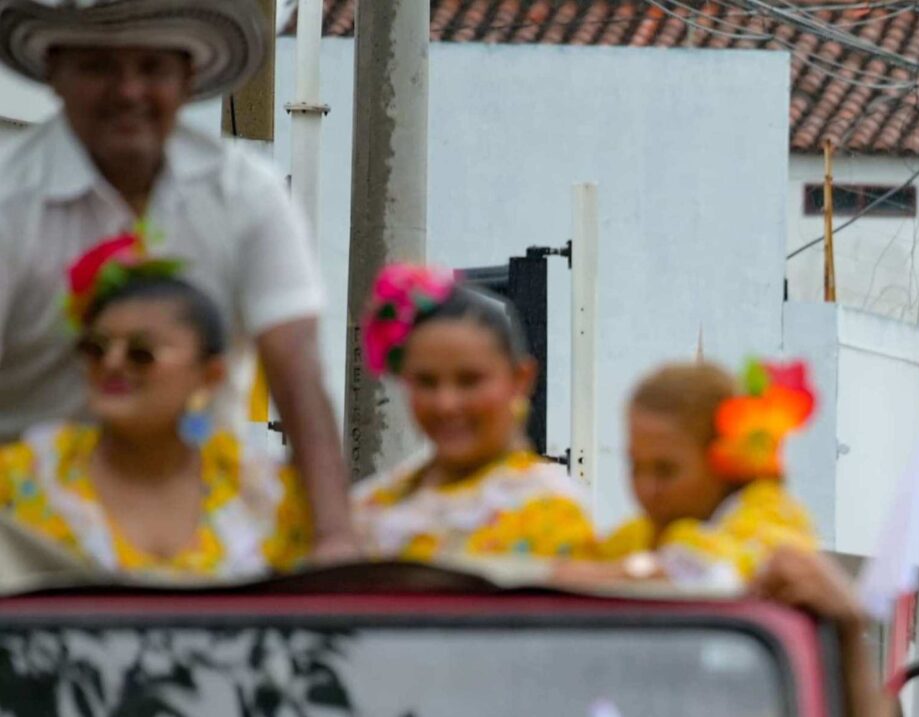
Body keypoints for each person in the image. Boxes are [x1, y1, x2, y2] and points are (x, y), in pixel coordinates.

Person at [0, 0, 352, 556]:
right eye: (98, 66)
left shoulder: (245, 195)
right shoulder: (8, 202)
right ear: (54, 74)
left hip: (201, 515)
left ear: (188, 79)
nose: (128, 91)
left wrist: (334, 537)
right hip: (23, 525)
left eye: (153, 68)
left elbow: (296, 369)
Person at [1, 237, 305, 578]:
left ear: (209, 375)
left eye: (141, 352)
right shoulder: (23, 478)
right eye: (96, 348)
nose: (112, 363)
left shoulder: (264, 493)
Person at [352, 265, 597, 561]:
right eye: (426, 382)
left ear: (521, 379)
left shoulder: (552, 514)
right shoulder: (370, 506)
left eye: (470, 381)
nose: (446, 403)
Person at [588, 359, 817, 589]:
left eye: (666, 470)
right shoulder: (642, 532)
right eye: (634, 466)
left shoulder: (771, 516)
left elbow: (705, 572)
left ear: (725, 461)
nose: (646, 489)